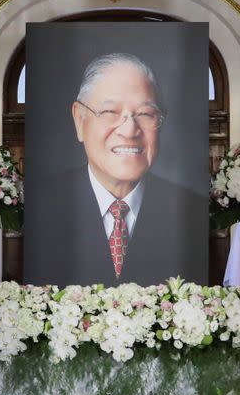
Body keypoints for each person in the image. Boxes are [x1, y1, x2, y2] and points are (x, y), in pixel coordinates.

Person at [25, 53, 207, 286]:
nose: (130, 130)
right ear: (79, 120)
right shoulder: (36, 207)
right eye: (110, 112)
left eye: (145, 114)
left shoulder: (193, 212)